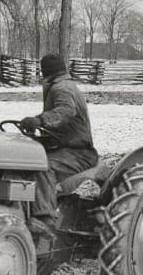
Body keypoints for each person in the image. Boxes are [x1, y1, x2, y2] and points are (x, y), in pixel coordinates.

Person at [19, 54, 99, 234]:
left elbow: (65, 111)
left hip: (78, 152)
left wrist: (40, 120)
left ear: (45, 73)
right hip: (65, 148)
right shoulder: (59, 86)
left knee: (42, 167)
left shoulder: (63, 88)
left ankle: (44, 218)